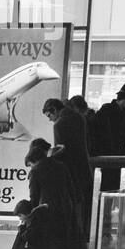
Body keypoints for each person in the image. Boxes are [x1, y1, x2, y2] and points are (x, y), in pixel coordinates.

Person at [26, 137, 83, 249]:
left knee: (48, 248)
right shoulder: (62, 166)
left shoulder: (35, 171)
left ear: (33, 159)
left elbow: (34, 198)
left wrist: (30, 217)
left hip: (46, 214)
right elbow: (72, 189)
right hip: (65, 211)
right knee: (63, 247)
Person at [42, 95, 92, 228]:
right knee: (85, 206)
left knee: (73, 208)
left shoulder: (59, 124)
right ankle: (84, 233)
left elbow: (61, 150)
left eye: (49, 115)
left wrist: (49, 157)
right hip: (84, 168)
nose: (50, 119)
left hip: (71, 172)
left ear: (54, 110)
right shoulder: (79, 118)